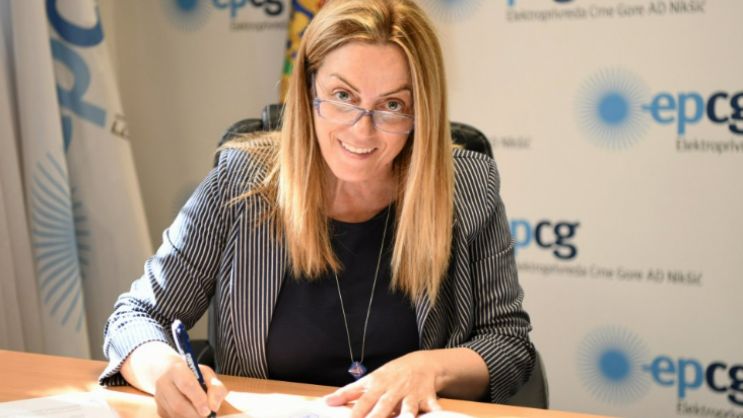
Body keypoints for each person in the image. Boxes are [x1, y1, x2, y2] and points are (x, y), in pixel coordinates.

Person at [99, 0, 535, 417]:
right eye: (343, 95)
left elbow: (509, 343)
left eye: (392, 105)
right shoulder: (241, 182)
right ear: (308, 90)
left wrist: (429, 368)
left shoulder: (468, 187)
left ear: (421, 111)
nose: (362, 130)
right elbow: (136, 317)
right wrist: (163, 369)